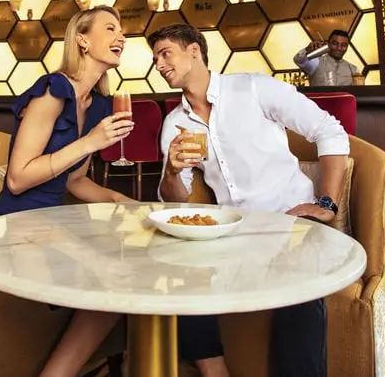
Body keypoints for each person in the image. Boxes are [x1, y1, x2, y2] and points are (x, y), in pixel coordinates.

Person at [148, 23, 350, 377]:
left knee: (298, 290)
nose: (159, 65)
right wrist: (171, 171)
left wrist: (328, 203)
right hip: (233, 230)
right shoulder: (175, 123)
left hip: (291, 221)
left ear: (194, 50)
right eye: (155, 59)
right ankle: (215, 370)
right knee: (173, 269)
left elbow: (329, 129)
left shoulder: (253, 88)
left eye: (166, 54)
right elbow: (174, 199)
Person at [0, 5, 135, 377]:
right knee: (112, 278)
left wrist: (122, 200)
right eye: (110, 28)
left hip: (51, 224)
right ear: (82, 40)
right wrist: (88, 142)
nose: (121, 36)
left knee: (123, 276)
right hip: (18, 224)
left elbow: (74, 181)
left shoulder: (99, 105)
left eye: (121, 30)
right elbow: (17, 178)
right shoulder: (53, 90)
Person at [293, 29, 359, 86]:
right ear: (328, 43)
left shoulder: (353, 69)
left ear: (347, 47)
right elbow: (298, 60)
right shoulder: (316, 62)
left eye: (343, 45)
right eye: (335, 44)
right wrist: (307, 49)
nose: (339, 48)